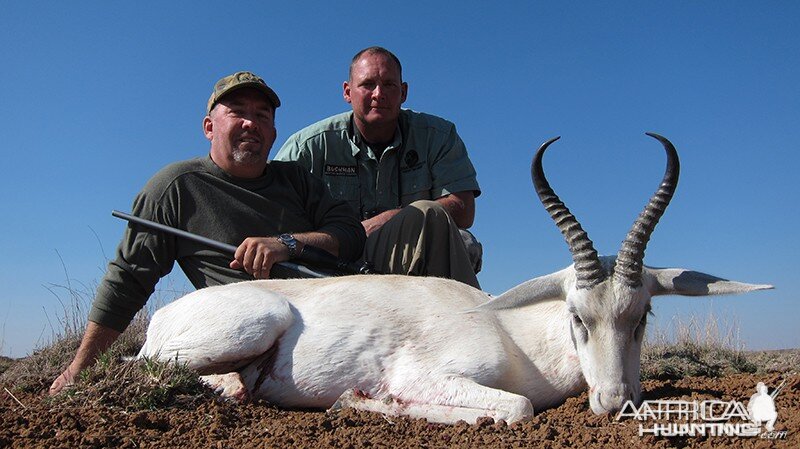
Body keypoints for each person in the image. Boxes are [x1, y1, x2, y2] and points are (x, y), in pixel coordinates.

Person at [49, 71, 366, 395]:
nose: (250, 123)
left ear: (272, 134)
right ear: (209, 127)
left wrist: (288, 244)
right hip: (248, 331)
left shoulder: (296, 179)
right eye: (237, 112)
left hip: (328, 316)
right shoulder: (175, 186)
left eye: (261, 116)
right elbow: (128, 279)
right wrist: (81, 367)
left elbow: (351, 233)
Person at [275, 46, 481, 288]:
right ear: (347, 92)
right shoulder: (307, 145)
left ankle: (459, 319)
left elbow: (463, 209)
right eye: (368, 84)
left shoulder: (438, 135)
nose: (378, 94)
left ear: (403, 92)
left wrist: (389, 220)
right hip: (334, 257)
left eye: (389, 85)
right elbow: (273, 211)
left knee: (461, 239)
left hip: (407, 249)